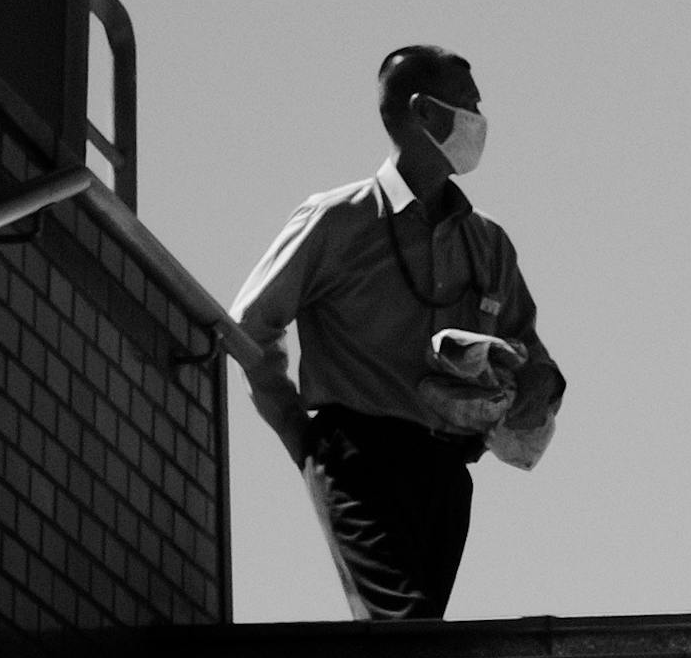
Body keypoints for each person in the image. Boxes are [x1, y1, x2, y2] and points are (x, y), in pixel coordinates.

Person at [228, 44, 566, 623]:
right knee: (402, 628)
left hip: (446, 474)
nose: (479, 119)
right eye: (467, 104)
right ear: (423, 112)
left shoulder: (488, 244)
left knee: (416, 641)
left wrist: (535, 388)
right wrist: (301, 439)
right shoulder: (337, 220)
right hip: (357, 455)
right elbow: (250, 329)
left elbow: (532, 355)